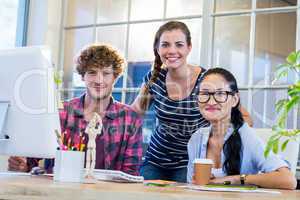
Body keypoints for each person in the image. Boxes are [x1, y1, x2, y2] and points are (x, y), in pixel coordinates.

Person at [131, 21, 253, 182]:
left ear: (189, 47)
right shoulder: (155, 77)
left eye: (179, 45)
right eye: (165, 45)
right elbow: (135, 112)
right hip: (155, 159)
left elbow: (244, 118)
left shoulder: (206, 80)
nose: (172, 51)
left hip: (191, 162)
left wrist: (219, 147)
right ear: (157, 49)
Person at [8, 44, 143, 176]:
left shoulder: (130, 119)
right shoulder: (59, 113)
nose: (99, 80)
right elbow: (31, 159)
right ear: (82, 76)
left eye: (106, 73)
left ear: (115, 77)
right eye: (92, 72)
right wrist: (22, 165)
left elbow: (130, 173)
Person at [187, 67, 297, 189]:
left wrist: (234, 179)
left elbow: (288, 180)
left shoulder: (245, 135)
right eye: (205, 94)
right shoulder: (196, 138)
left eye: (220, 94)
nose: (211, 101)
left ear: (234, 100)